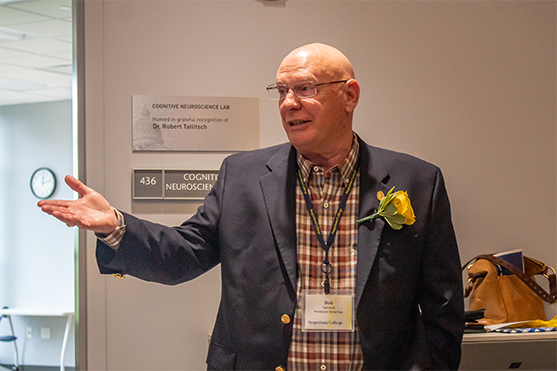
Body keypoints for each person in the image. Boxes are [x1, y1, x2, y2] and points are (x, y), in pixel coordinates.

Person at [38, 43, 464, 371]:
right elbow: (184, 255)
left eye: (305, 89)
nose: (288, 103)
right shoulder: (241, 176)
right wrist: (114, 226)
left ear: (349, 95)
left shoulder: (417, 181)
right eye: (281, 91)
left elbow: (444, 304)